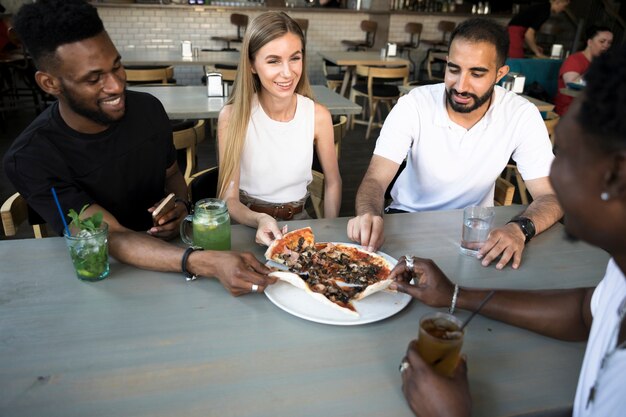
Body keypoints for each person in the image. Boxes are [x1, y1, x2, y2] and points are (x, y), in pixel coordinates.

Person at [390, 43, 626, 417]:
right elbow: (586, 311)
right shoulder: (619, 276)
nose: (555, 181)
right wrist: (457, 296)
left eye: (563, 154)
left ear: (615, 175)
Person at [3, 0, 274, 296]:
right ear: (49, 83)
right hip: (107, 282)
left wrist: (180, 208)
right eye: (94, 79)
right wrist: (204, 262)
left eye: (116, 66)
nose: (116, 86)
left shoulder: (148, 110)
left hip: (174, 261)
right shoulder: (32, 157)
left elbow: (172, 176)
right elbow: (110, 235)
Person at [347, 18, 562, 270]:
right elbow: (375, 179)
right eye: (454, 69)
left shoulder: (521, 114)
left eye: (477, 73)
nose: (461, 85)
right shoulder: (414, 104)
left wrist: (519, 229)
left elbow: (552, 196)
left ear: (500, 74)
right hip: (406, 221)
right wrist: (369, 215)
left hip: (476, 236)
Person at [217, 11, 341, 246]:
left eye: (295, 58)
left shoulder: (318, 115)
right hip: (246, 224)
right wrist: (260, 219)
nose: (287, 72)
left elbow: (333, 182)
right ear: (252, 65)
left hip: (300, 221)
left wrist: (329, 228)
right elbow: (229, 199)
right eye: (273, 61)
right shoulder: (232, 116)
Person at [554, 25, 613, 116]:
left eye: (609, 43)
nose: (606, 46)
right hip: (570, 110)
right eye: (602, 41)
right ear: (589, 42)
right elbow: (571, 85)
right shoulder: (574, 60)